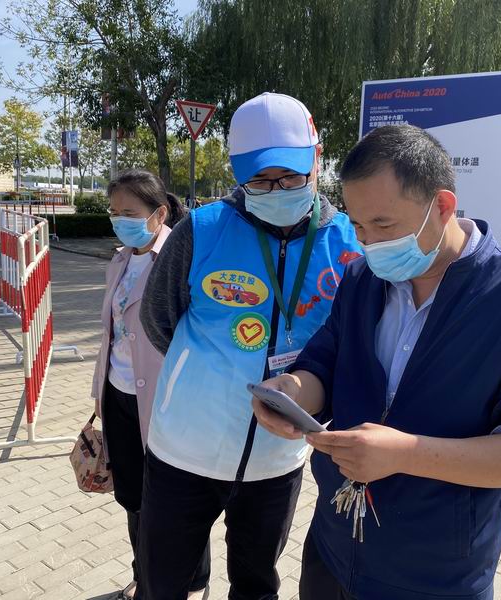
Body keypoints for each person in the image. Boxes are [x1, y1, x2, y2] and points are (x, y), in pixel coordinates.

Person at [253, 124, 501, 600]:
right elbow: (325, 362)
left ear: (444, 206)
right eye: (358, 226)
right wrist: (292, 393)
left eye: (384, 226)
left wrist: (405, 453)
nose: (370, 243)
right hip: (333, 547)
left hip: (435, 573)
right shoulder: (361, 279)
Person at [137, 92, 362, 600]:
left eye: (290, 176)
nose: (275, 189)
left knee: (257, 586)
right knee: (162, 585)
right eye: (259, 179)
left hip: (277, 461)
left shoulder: (348, 243)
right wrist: (204, 375)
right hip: (183, 451)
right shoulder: (202, 229)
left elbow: (347, 346)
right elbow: (158, 319)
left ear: (317, 159)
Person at [90, 169, 210, 600]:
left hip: (165, 400)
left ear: (159, 214)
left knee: (179, 496)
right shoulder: (120, 259)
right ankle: (143, 574)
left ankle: (194, 581)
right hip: (119, 394)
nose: (119, 220)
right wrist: (99, 392)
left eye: (129, 213)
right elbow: (110, 332)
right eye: (114, 212)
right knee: (134, 497)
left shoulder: (182, 258)